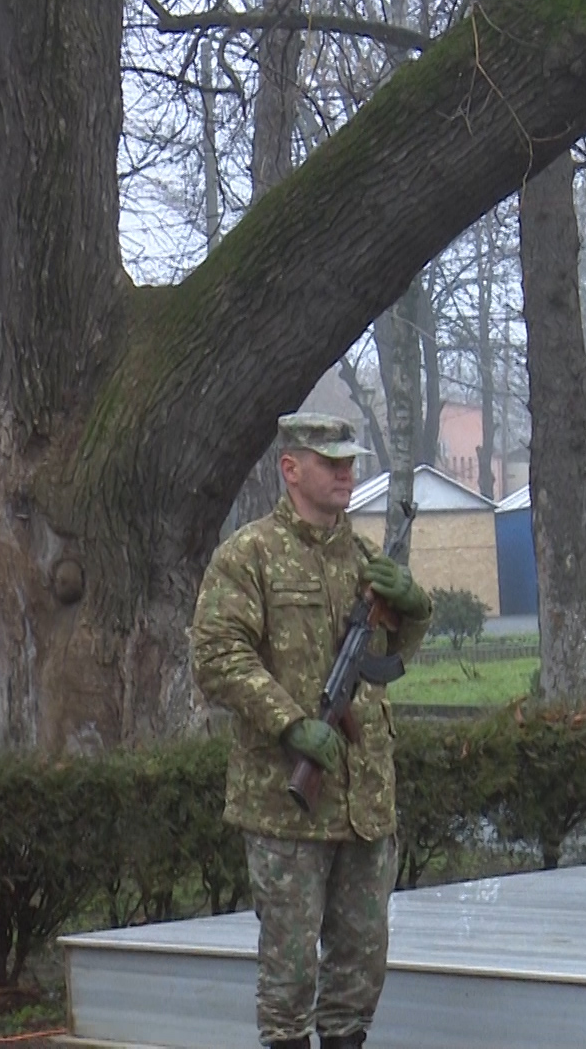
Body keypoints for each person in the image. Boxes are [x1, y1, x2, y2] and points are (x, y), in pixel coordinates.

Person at [191, 413, 432, 1049]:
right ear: (291, 469)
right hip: (288, 805)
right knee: (290, 973)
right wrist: (291, 724)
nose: (345, 473)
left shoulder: (366, 559)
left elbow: (390, 659)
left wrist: (414, 607)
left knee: (360, 966)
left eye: (349, 462)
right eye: (330, 463)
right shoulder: (248, 556)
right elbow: (217, 657)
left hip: (364, 800)